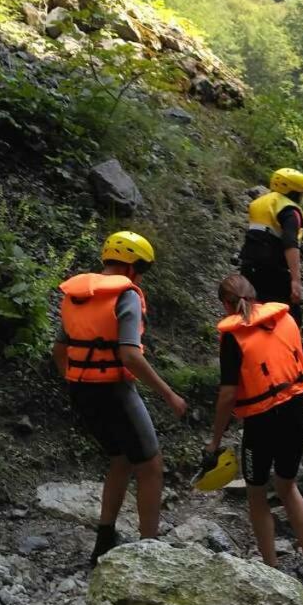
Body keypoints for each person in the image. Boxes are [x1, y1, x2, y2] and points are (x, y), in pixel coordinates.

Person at [54, 231, 187, 566]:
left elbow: (59, 349)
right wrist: (169, 394)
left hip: (80, 390)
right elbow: (129, 355)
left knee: (120, 458)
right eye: (141, 269)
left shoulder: (77, 294)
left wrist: (73, 376)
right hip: (114, 391)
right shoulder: (125, 296)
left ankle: (104, 537)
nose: (141, 277)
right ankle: (149, 550)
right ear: (132, 267)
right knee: (151, 465)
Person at [204, 274, 303, 582]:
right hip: (296, 411)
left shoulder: (234, 336)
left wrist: (214, 441)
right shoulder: (285, 320)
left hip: (261, 422)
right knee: (287, 485)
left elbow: (228, 395)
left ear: (225, 305)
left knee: (257, 493)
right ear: (257, 296)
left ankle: (272, 571)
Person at [240, 168, 303, 324]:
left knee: (254, 317)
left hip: (248, 268)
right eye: (302, 193)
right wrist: (296, 280)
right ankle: (291, 348)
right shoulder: (290, 210)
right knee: (291, 320)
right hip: (273, 272)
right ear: (295, 191)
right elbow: (290, 243)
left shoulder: (260, 203)